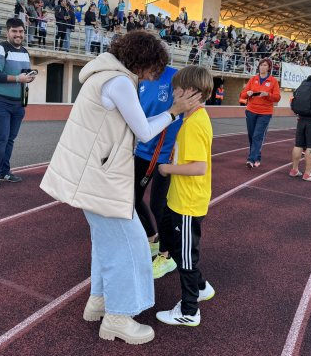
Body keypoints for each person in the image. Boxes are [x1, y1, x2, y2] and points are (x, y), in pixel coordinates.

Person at [39, 31, 202, 345]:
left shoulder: (104, 75)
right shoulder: (120, 83)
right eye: (154, 68)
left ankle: (98, 303)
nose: (156, 75)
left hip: (93, 176)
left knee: (107, 245)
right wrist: (174, 112)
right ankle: (119, 318)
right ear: (142, 62)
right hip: (102, 180)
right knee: (132, 247)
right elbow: (143, 132)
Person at [155, 65, 215, 327]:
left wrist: (167, 168)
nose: (173, 93)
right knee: (168, 237)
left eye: (177, 89)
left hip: (188, 202)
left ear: (191, 92)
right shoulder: (190, 119)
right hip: (177, 198)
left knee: (188, 255)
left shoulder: (194, 124)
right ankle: (200, 287)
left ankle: (190, 310)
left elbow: (198, 167)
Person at [133, 66, 182, 280]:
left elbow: (188, 108)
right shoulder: (141, 79)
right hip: (143, 149)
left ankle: (167, 255)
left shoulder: (176, 76)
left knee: (159, 205)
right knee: (131, 198)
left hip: (166, 153)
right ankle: (153, 239)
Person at [0, 18, 36, 188]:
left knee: (10, 139)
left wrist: (28, 77)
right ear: (8, 32)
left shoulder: (25, 52)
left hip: (18, 102)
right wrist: (17, 78)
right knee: (1, 137)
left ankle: (5, 171)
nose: (18, 34)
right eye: (14, 31)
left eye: (21, 31)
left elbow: (22, 75)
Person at [239, 58, 281, 168]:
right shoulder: (253, 79)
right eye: (261, 65)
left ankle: (251, 159)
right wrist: (247, 93)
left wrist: (267, 95)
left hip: (265, 113)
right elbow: (242, 95)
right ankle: (257, 156)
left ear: (269, 68)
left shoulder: (273, 81)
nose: (262, 67)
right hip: (251, 111)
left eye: (265, 65)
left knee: (257, 136)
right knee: (251, 136)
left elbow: (277, 98)